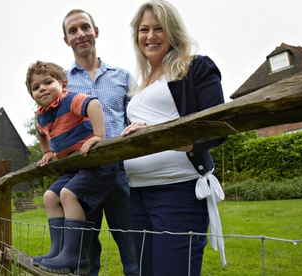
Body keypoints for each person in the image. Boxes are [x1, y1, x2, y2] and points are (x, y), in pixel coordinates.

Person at [121, 0, 227, 275]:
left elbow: (217, 125)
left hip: (178, 191)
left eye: (159, 28)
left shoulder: (196, 68)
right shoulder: (137, 88)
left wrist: (156, 135)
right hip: (137, 195)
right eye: (144, 29)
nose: (150, 36)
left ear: (173, 31)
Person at [62, 9, 139, 276]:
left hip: (120, 174)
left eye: (85, 27)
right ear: (66, 40)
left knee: (133, 251)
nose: (80, 34)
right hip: (81, 177)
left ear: (96, 32)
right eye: (73, 30)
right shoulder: (60, 85)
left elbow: (137, 121)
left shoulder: (124, 77)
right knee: (86, 258)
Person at [25, 60, 118, 275]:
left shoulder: (69, 100)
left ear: (63, 84)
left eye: (48, 82)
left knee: (68, 194)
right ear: (32, 95)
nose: (42, 88)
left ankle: (75, 255)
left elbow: (93, 104)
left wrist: (98, 135)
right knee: (49, 196)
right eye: (36, 87)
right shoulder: (41, 115)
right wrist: (47, 152)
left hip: (96, 163)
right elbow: (41, 133)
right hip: (75, 168)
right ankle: (59, 251)